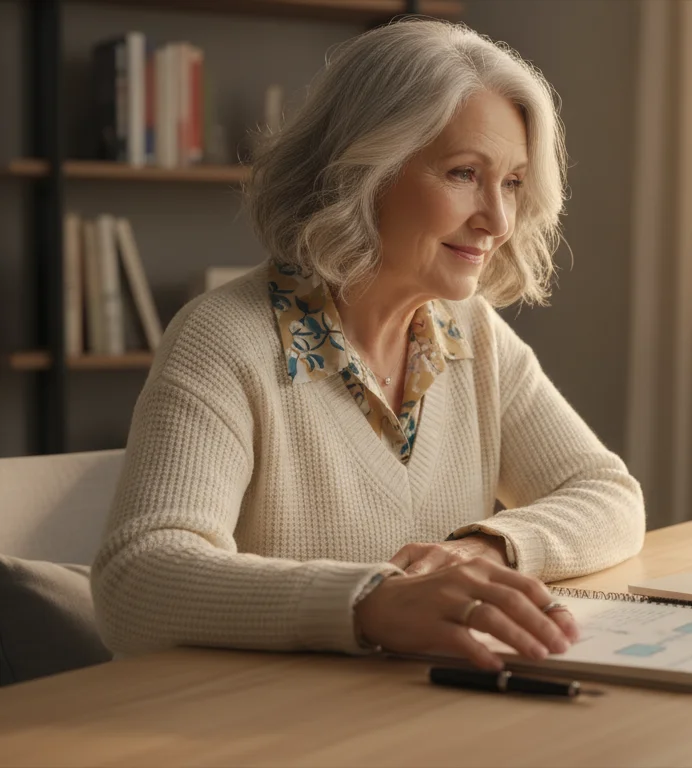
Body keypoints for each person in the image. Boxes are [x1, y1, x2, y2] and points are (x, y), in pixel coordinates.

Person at [91, 20, 645, 671]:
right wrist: (370, 602)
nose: (497, 219)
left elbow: (608, 493)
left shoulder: (469, 330)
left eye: (514, 182)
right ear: (362, 171)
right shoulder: (222, 339)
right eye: (464, 173)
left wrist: (484, 549)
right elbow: (136, 582)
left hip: (426, 707)